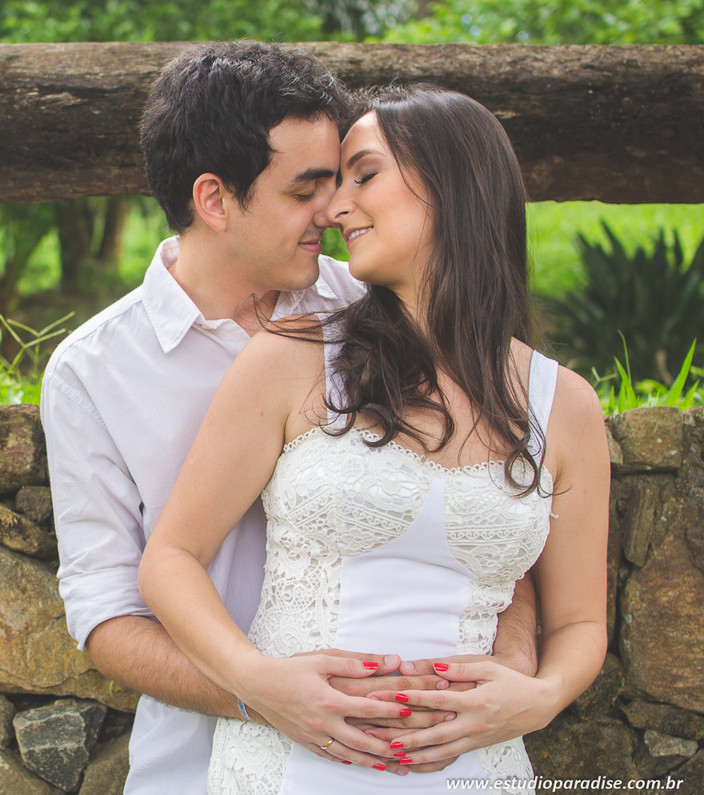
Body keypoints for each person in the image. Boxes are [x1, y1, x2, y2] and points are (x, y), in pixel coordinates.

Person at [41, 43, 541, 793]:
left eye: (344, 180)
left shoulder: (380, 307)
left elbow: (490, 501)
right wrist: (261, 693)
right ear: (215, 200)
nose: (335, 210)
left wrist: (516, 659)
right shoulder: (94, 370)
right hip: (196, 759)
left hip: (417, 759)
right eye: (307, 189)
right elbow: (106, 613)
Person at [138, 84, 610, 793]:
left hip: (477, 772)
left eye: (364, 175)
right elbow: (170, 558)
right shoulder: (290, 361)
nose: (332, 208)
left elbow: (578, 620)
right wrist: (258, 683)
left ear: (453, 183)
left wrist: (540, 697)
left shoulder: (564, 404)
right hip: (293, 767)